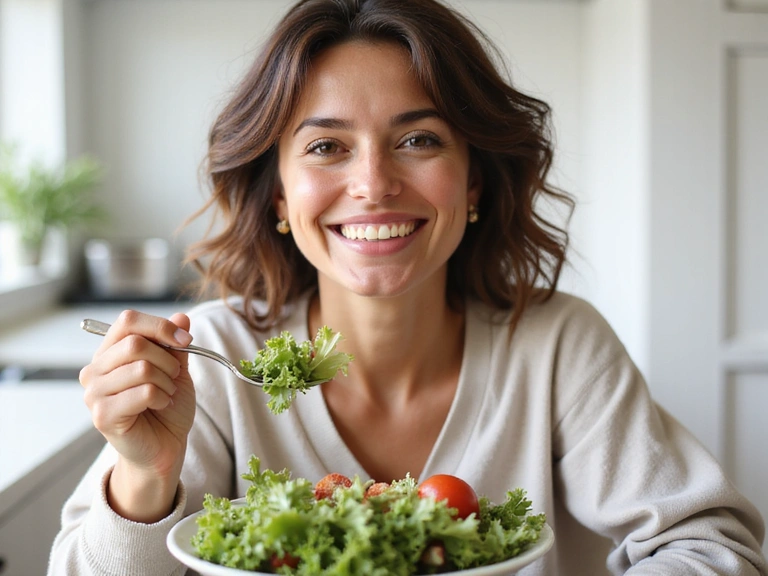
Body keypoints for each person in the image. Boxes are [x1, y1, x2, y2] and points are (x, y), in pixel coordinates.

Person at [49, 0, 766, 574]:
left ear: (475, 179)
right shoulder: (214, 356)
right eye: (327, 146)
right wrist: (146, 476)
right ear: (277, 198)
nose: (373, 185)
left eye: (418, 140)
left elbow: (711, 548)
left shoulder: (555, 345)